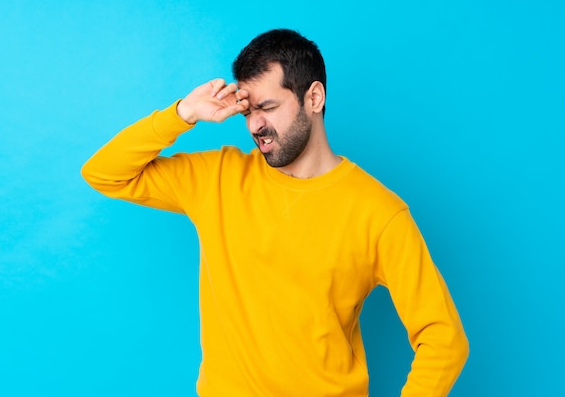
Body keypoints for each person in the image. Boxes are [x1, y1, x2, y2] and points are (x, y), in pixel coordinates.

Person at [81, 29, 469, 396]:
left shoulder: (378, 213)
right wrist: (181, 114)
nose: (255, 125)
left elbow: (443, 338)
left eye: (267, 107)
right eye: (247, 111)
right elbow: (104, 173)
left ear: (314, 98)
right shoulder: (217, 178)